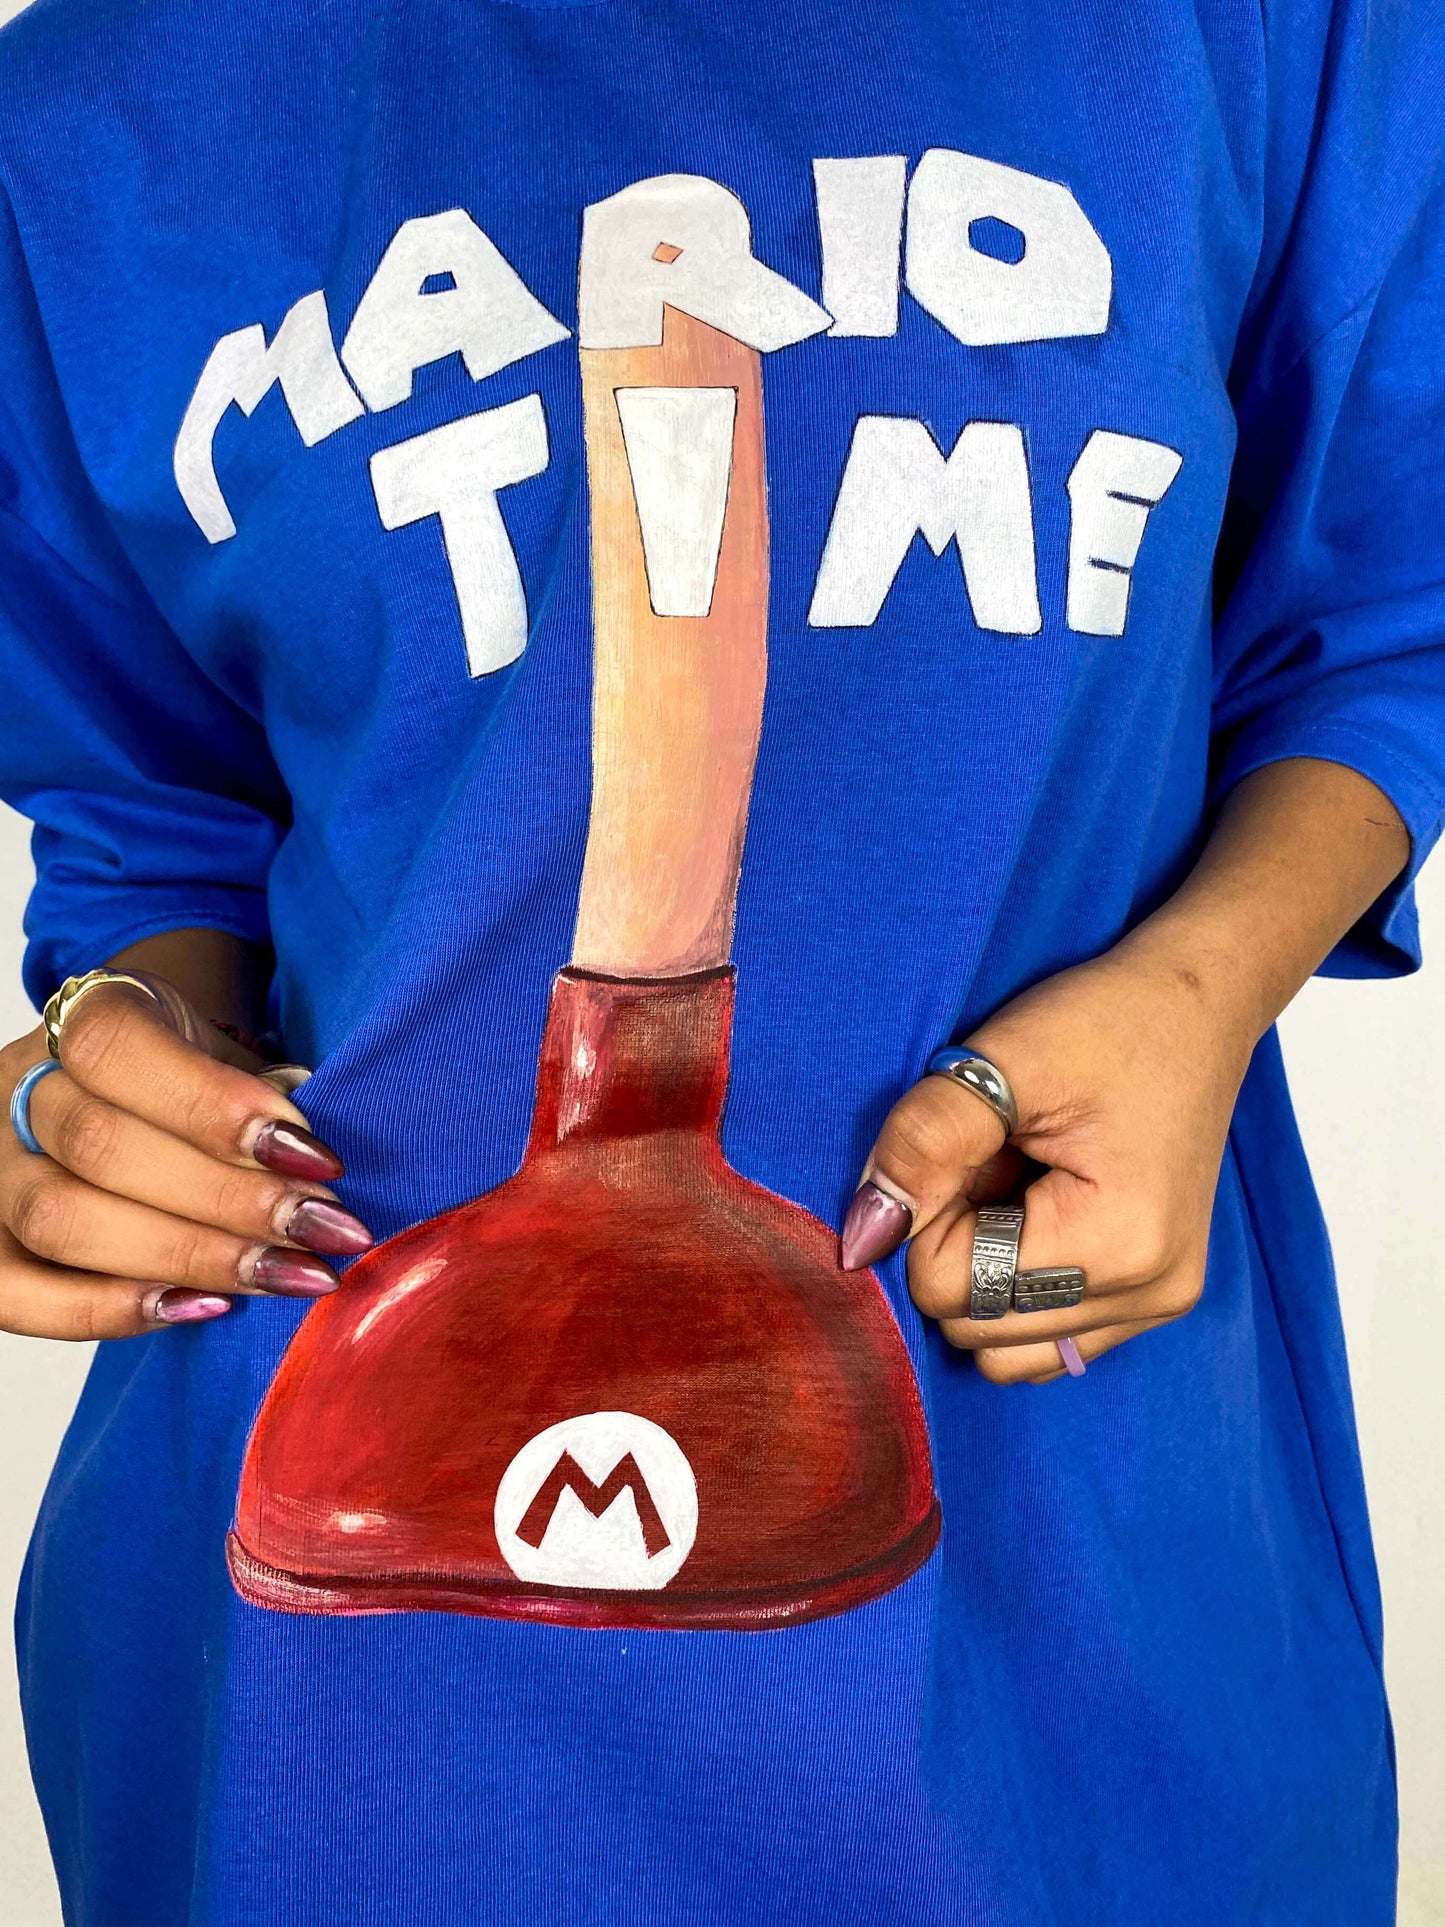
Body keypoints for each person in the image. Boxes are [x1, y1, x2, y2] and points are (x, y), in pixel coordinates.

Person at [0, 0, 1442, 1918]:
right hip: (326, 1694)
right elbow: (150, 806)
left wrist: (1204, 985)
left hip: (1066, 1578)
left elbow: (1379, 609)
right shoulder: (98, 111)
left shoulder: (1256, 27)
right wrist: (113, 1085)